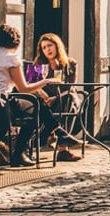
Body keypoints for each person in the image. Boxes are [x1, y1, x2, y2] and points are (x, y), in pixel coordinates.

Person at [0, 24, 79, 166]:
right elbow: (24, 88)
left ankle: (57, 132)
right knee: (36, 106)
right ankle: (21, 152)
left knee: (36, 103)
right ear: (15, 40)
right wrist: (46, 81)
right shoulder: (12, 58)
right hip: (2, 103)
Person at [34, 33, 81, 162]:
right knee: (70, 102)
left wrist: (56, 98)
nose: (47, 50)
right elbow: (32, 85)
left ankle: (61, 145)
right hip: (45, 103)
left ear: (57, 46)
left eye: (50, 45)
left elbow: (71, 86)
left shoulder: (70, 63)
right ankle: (62, 144)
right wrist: (43, 96)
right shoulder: (38, 64)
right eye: (44, 47)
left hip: (64, 99)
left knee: (71, 98)